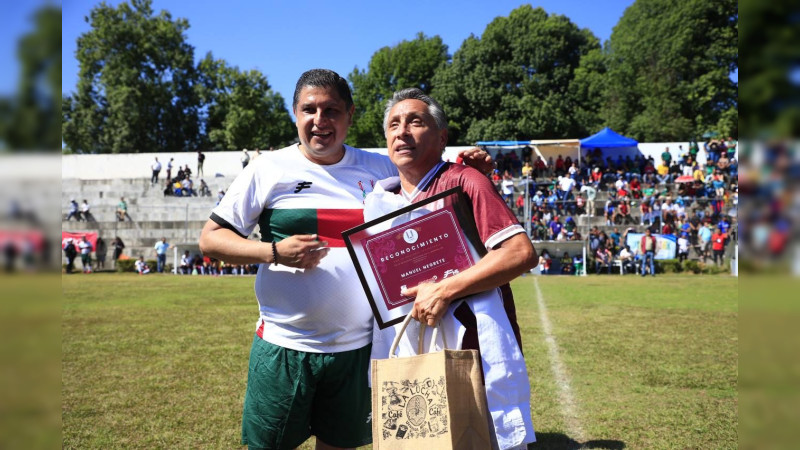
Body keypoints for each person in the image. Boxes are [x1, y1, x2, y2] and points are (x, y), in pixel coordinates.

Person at [198, 69, 493, 450]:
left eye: (331, 111)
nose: (319, 120)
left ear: (350, 115)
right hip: (284, 345)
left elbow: (433, 186)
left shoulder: (380, 168)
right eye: (309, 110)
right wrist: (273, 252)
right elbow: (211, 239)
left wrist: (468, 169)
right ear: (295, 113)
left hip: (356, 349)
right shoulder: (267, 169)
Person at [366, 87, 536, 449]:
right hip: (412, 341)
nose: (402, 132)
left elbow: (520, 253)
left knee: (477, 438)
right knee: (423, 436)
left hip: (474, 345)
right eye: (394, 124)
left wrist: (443, 290)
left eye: (415, 121)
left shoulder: (465, 181)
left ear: (442, 137)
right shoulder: (381, 200)